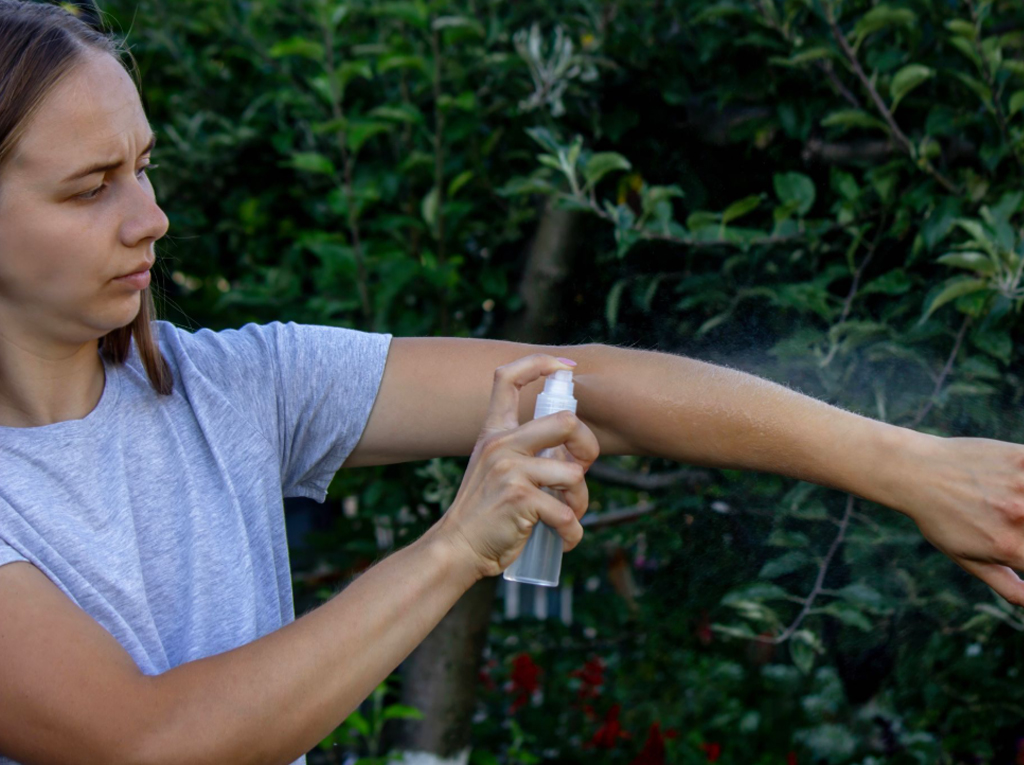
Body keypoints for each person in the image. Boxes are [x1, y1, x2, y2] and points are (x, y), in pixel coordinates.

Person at [1, 1, 1024, 763]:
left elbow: (586, 385)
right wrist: (455, 546)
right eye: (92, 188)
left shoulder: (231, 386)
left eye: (144, 167)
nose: (150, 218)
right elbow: (150, 743)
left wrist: (910, 467)